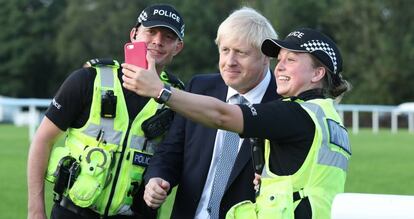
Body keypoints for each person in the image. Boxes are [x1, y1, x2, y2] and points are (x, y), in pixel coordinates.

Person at [121, 27, 351, 219]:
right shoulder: (329, 118)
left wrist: (160, 91)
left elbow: (223, 116)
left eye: (291, 60)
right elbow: (307, 178)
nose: (279, 66)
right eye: (279, 59)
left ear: (318, 73)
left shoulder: (294, 114)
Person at [27, 4, 185, 219]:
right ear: (134, 34)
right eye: (151, 32)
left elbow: (178, 161)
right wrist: (35, 211)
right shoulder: (88, 79)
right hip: (72, 213)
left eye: (168, 36)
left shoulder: (178, 99)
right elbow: (43, 140)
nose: (157, 41)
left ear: (178, 47)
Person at [139, 7, 279, 219]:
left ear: (265, 57)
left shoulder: (283, 105)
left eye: (241, 52)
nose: (229, 62)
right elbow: (171, 151)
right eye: (225, 50)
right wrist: (157, 179)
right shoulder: (199, 87)